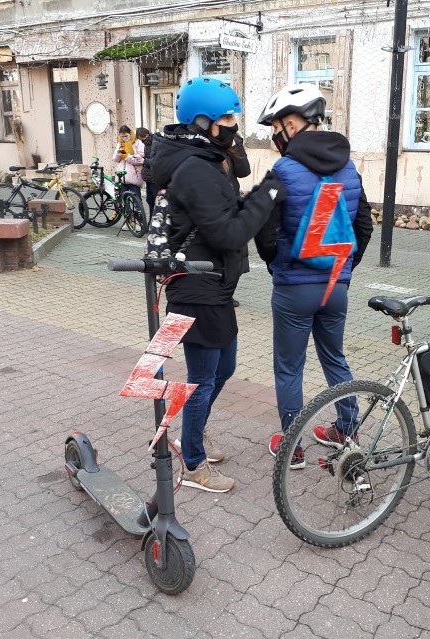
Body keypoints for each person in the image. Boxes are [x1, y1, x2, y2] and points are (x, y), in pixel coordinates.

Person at [144, 77, 285, 492]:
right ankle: (192, 463)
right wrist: (269, 192)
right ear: (201, 121)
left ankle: (193, 431)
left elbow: (232, 181)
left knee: (224, 367)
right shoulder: (194, 169)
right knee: (204, 378)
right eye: (226, 118)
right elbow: (227, 234)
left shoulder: (205, 159)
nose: (233, 125)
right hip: (196, 285)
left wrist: (233, 155)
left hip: (215, 284)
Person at [254, 83, 373, 468]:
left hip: (294, 288)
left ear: (292, 123)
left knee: (290, 367)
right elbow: (364, 225)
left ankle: (293, 448)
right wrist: (343, 271)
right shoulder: (349, 166)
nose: (273, 134)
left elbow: (265, 232)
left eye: (275, 125)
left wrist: (278, 266)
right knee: (335, 358)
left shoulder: (282, 171)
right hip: (336, 287)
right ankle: (347, 429)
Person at [225, 133, 251, 308]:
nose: (232, 122)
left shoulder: (234, 141)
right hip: (214, 204)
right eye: (227, 117)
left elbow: (244, 171)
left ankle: (228, 292)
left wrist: (235, 146)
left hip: (233, 202)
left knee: (238, 255)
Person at [113, 125, 144, 199]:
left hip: (134, 176)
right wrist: (119, 153)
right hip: (122, 176)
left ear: (130, 133)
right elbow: (115, 159)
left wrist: (127, 156)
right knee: (123, 201)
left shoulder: (138, 143)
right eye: (122, 136)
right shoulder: (120, 143)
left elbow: (139, 160)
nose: (124, 138)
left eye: (126, 136)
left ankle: (138, 210)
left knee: (136, 200)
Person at [136, 126, 158, 212]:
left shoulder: (155, 144)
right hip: (149, 178)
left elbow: (156, 162)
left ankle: (153, 221)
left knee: (154, 201)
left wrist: (144, 161)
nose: (141, 141)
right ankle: (151, 222)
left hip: (154, 178)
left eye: (142, 139)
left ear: (146, 135)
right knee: (149, 200)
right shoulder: (147, 144)